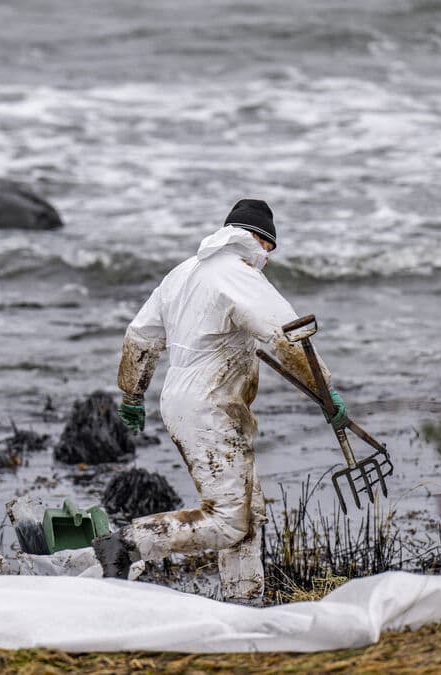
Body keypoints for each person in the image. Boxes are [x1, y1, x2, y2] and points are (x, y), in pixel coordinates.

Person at [93, 199, 348, 604]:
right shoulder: (238, 275)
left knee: (249, 512)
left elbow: (141, 335)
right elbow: (286, 334)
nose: (268, 257)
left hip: (186, 400)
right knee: (228, 520)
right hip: (208, 406)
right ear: (258, 241)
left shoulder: (183, 273)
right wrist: (324, 389)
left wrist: (133, 392)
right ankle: (127, 543)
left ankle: (243, 600)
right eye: (268, 248)